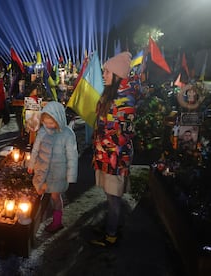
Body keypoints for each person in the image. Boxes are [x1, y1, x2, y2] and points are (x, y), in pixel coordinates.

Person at [90, 51, 139, 247]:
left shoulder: (126, 100)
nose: (104, 75)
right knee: (109, 196)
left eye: (107, 72)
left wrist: (103, 142)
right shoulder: (110, 94)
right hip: (105, 155)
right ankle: (111, 225)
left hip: (115, 159)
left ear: (118, 75)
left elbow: (124, 134)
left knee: (114, 199)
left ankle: (110, 234)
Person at [27, 101, 78, 233]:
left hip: (58, 173)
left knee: (55, 196)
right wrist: (31, 164)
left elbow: (72, 155)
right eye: (46, 123)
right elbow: (35, 150)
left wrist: (71, 175)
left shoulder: (67, 134)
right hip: (43, 169)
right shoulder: (42, 132)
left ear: (59, 119)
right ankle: (36, 216)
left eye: (52, 123)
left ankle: (57, 221)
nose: (49, 126)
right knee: (41, 191)